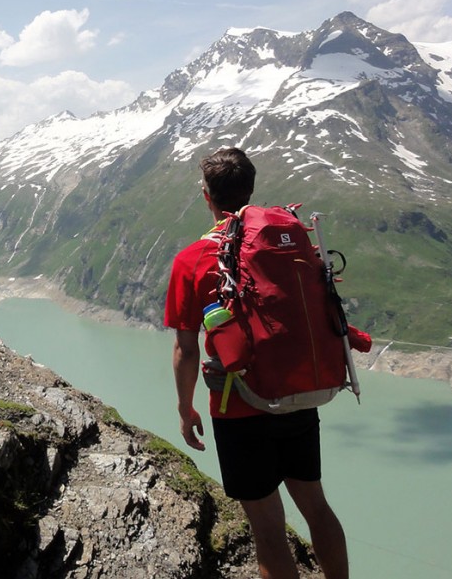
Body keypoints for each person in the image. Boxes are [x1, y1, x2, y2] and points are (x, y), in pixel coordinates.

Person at [165, 147, 349, 579]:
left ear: (207, 196)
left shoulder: (192, 259)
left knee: (267, 527)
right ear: (250, 189)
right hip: (298, 394)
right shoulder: (285, 243)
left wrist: (184, 407)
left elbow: (186, 349)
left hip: (240, 407)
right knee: (316, 507)